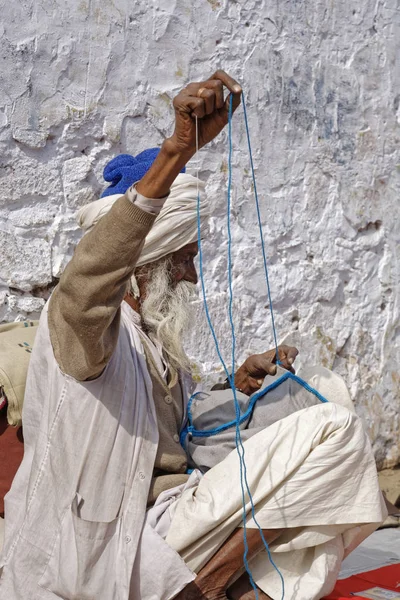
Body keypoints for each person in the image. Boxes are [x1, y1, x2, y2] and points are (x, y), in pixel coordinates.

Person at [0, 71, 386, 600]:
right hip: (111, 544)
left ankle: (211, 582)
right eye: (184, 260)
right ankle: (204, 589)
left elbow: (164, 430)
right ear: (142, 264)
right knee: (334, 431)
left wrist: (234, 384)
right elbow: (88, 277)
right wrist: (175, 154)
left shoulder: (152, 336)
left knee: (320, 392)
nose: (193, 276)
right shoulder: (80, 327)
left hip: (171, 512)